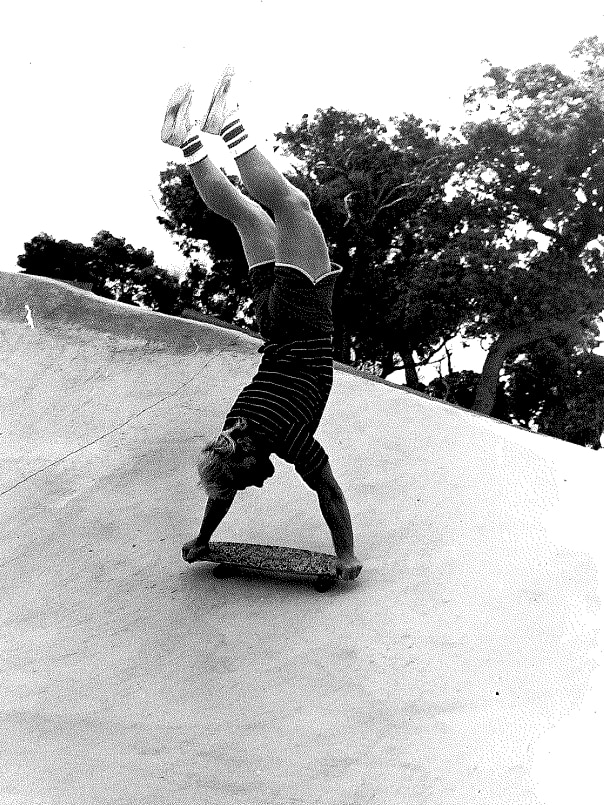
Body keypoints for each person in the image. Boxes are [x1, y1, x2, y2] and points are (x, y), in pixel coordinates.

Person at [161, 66, 362, 581]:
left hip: (302, 318)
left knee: (293, 204)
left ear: (246, 456)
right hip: (271, 322)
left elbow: (329, 490)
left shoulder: (286, 437)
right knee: (249, 218)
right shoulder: (232, 429)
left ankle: (228, 125)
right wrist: (203, 539)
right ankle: (186, 142)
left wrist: (345, 555)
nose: (260, 483)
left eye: (251, 480)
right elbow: (222, 483)